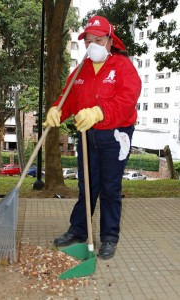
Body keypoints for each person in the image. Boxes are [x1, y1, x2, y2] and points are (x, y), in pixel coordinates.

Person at [43, 16, 141, 259]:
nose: (93, 45)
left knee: (109, 188)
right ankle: (78, 230)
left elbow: (128, 100)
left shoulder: (122, 67)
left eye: (98, 40)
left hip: (115, 135)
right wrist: (57, 109)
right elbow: (69, 97)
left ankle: (109, 238)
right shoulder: (82, 68)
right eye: (89, 41)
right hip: (87, 133)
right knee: (87, 186)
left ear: (110, 41)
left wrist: (100, 111)